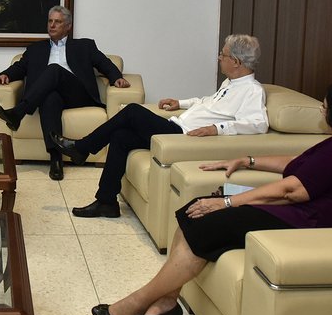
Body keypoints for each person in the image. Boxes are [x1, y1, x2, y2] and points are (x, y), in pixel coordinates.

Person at [91, 80, 332, 315]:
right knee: (194, 210)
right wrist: (247, 160)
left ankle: (137, 302)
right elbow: (297, 165)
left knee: (206, 218)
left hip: (307, 223)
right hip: (300, 213)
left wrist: (227, 202)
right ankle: (168, 303)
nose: (322, 111)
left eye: (325, 106)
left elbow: (293, 189)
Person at [52, 34, 268, 217]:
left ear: (237, 62)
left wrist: (217, 129)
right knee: (121, 136)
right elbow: (206, 102)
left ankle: (81, 148)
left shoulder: (252, 90)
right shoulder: (230, 83)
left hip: (182, 136)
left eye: (224, 54)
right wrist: (180, 103)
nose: (219, 57)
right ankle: (106, 202)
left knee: (133, 111)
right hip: (176, 126)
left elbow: (258, 124)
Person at [0, 5, 130, 180]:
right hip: (50, 94)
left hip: (77, 94)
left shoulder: (84, 46)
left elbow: (105, 63)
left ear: (68, 27)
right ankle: (56, 159)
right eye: (50, 21)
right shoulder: (35, 49)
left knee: (54, 69)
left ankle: (19, 112)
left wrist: (116, 77)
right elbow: (20, 67)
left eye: (58, 22)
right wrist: (6, 75)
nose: (52, 25)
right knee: (49, 99)